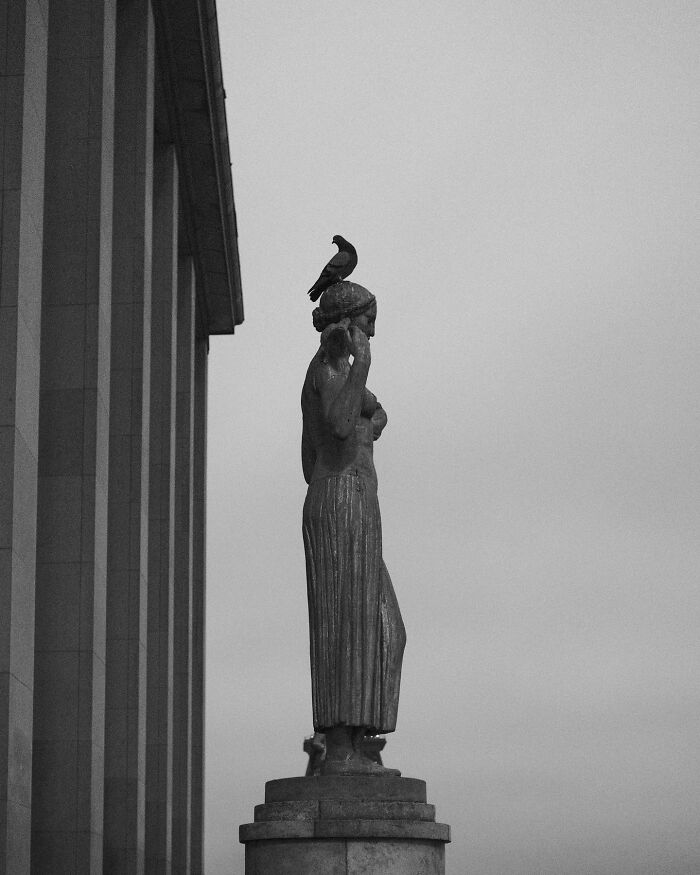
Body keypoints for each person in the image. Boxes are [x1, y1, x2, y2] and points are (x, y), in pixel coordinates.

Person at [301, 281, 406, 775]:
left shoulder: (343, 374)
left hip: (360, 504)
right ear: (348, 324)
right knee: (345, 620)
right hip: (339, 499)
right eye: (368, 323)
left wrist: (375, 413)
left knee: (387, 628)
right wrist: (360, 366)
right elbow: (340, 426)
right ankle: (339, 747)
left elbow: (375, 410)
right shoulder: (326, 368)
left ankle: (361, 737)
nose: (372, 334)